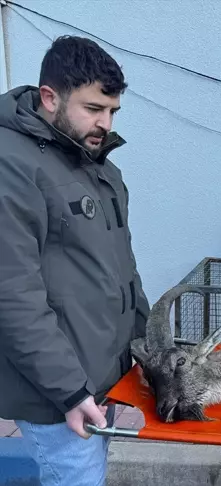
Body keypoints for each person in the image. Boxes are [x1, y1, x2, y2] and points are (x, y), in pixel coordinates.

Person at [0, 35, 150, 485]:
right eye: (92, 108)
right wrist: (68, 390)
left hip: (98, 376)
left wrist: (140, 354)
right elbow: (12, 296)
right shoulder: (12, 165)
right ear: (50, 97)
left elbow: (121, 270)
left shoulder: (93, 162)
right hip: (56, 389)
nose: (105, 123)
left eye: (112, 111)